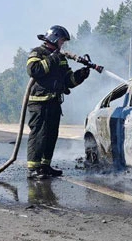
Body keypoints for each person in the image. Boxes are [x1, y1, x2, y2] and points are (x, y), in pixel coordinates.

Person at [25, 25, 91, 179]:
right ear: (54, 38)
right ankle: (33, 169)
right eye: (62, 41)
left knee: (51, 135)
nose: (63, 44)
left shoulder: (60, 58)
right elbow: (33, 70)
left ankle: (45, 166)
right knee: (39, 135)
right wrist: (53, 57)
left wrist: (81, 75)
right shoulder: (38, 52)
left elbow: (68, 81)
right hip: (39, 103)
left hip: (54, 102)